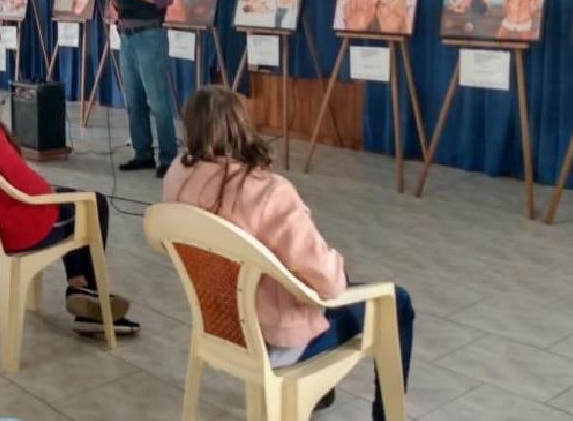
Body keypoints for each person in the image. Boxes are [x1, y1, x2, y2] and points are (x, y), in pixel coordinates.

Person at [163, 86, 413, 420]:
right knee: (396, 301)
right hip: (277, 342)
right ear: (242, 124)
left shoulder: (177, 176)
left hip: (221, 328)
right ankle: (388, 415)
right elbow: (329, 284)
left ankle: (319, 395)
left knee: (324, 280)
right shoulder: (269, 192)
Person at [0, 50, 139, 335]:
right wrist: (51, 191)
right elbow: (30, 187)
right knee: (93, 204)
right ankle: (90, 298)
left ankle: (78, 286)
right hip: (16, 228)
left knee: (72, 199)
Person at [104, 0, 177, 178]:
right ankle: (143, 153)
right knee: (134, 100)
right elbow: (120, 3)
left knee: (157, 100)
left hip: (149, 37)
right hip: (126, 37)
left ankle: (169, 157)